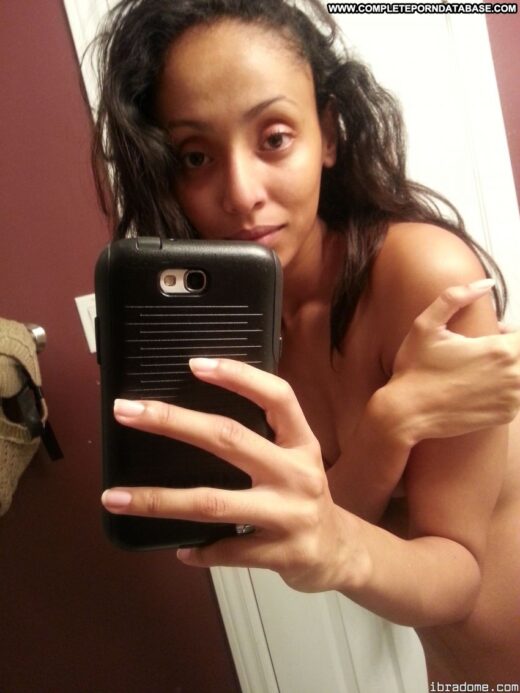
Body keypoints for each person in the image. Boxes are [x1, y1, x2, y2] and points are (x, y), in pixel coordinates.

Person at [92, 0, 520, 685]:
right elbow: (333, 526)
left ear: (329, 133)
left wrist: (341, 514)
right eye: (196, 156)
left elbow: (457, 574)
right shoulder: (242, 334)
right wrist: (392, 420)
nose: (241, 193)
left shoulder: (422, 276)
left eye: (273, 138)